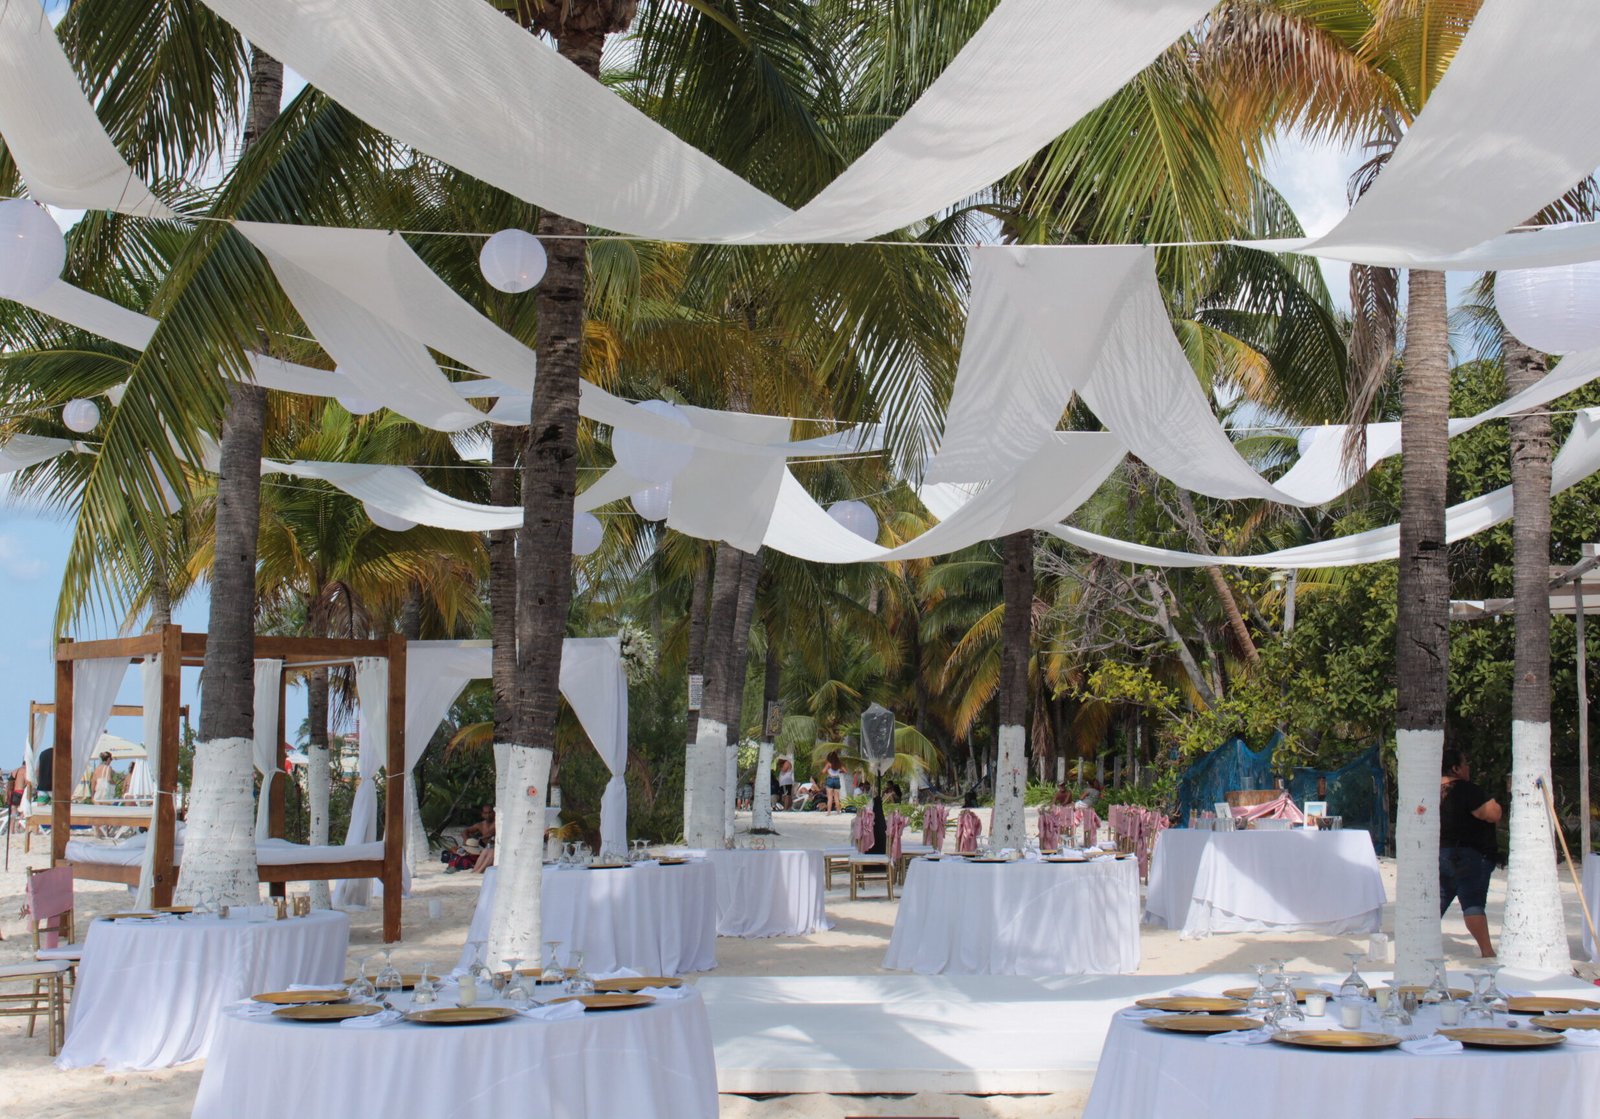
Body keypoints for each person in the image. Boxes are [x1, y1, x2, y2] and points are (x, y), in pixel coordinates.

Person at [1439, 747, 1502, 957]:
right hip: (1467, 854)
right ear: (1455, 768)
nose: (1468, 768)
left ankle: (1417, 945)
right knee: (1472, 902)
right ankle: (1487, 951)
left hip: (1438, 854)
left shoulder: (1428, 792)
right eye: (1465, 763)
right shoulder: (1467, 790)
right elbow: (1492, 814)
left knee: (1436, 902)